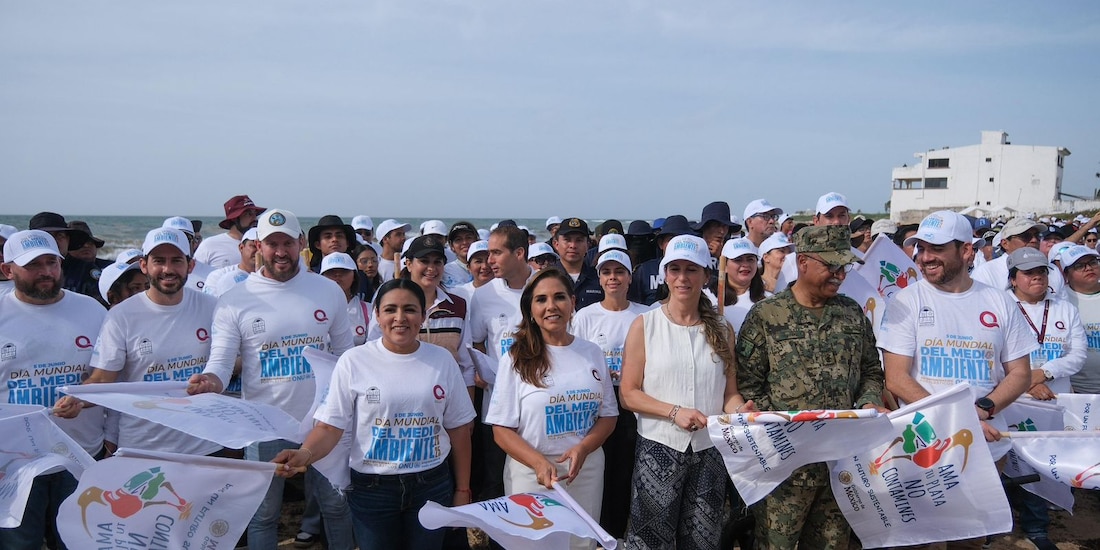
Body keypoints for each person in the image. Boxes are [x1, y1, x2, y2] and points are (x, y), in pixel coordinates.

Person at [186, 208, 355, 550]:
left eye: (287, 243)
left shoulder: (328, 291)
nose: (280, 252)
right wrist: (210, 381)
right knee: (263, 514)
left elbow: (346, 358)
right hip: (264, 426)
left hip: (324, 421)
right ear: (258, 246)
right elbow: (220, 364)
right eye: (272, 244)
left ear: (301, 243)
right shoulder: (234, 300)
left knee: (336, 507)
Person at [273, 279, 476, 550]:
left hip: (431, 485)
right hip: (373, 490)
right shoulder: (353, 361)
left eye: (410, 309)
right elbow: (330, 427)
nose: (400, 318)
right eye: (391, 309)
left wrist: (462, 489)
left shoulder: (443, 360)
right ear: (377, 315)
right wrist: (305, 454)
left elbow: (459, 429)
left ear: (423, 316)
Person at [879, 211, 1036, 549]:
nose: (925, 257)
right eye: (921, 248)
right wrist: (959, 418)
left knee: (970, 540)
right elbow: (896, 378)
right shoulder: (906, 301)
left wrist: (984, 408)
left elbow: (1020, 372)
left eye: (936, 248)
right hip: (922, 445)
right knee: (920, 542)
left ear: (966, 251)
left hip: (984, 446)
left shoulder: (999, 301)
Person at [737, 226, 885, 549]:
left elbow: (871, 371)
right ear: (803, 262)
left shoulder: (851, 313)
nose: (840, 275)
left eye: (844, 267)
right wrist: (784, 432)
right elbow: (748, 384)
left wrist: (868, 401)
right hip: (786, 468)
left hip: (840, 465)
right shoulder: (767, 316)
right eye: (831, 266)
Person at [619, 234, 750, 550]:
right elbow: (629, 394)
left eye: (691, 269)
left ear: (706, 275)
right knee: (650, 542)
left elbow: (729, 395)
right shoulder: (644, 325)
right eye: (675, 269)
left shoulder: (723, 329)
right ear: (665, 274)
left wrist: (740, 411)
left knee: (703, 541)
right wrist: (674, 412)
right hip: (658, 449)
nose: (682, 278)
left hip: (709, 451)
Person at [55, 227, 222, 457]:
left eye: (176, 260)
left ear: (190, 265)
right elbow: (102, 379)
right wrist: (78, 400)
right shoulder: (121, 316)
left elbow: (226, 364)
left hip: (206, 442)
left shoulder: (212, 307)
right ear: (144, 266)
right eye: (158, 261)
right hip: (144, 446)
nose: (168, 269)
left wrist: (211, 382)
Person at [486, 268, 618, 550]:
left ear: (572, 302)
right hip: (531, 473)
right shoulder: (516, 358)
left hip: (585, 470)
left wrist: (583, 448)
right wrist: (538, 463)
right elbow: (501, 429)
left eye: (559, 297)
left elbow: (608, 416)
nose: (551, 306)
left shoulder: (592, 352)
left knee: (581, 544)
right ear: (530, 310)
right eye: (541, 299)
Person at [1, 230, 107, 550]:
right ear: (7, 270)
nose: (46, 271)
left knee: (78, 543)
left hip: (80, 454)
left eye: (52, 262)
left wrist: (82, 399)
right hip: (14, 461)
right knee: (19, 544)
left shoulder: (92, 310)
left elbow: (108, 377)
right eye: (33, 265)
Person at [1005, 247, 1086, 550]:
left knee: (1045, 465)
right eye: (1028, 273)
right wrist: (1026, 382)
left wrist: (1045, 373)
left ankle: (1039, 526)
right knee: (1014, 464)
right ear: (1013, 279)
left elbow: (1077, 355)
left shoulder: (1065, 309)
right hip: (1013, 401)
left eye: (1041, 271)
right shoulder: (1000, 307)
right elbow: (993, 355)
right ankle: (1016, 527)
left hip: (1056, 402)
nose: (1037, 277)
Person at [571, 249, 648, 539]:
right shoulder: (585, 316)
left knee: (624, 470)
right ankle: (593, 530)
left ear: (629, 277)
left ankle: (616, 534)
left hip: (634, 402)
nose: (612, 278)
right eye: (606, 272)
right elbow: (576, 359)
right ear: (599, 278)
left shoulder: (646, 315)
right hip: (597, 405)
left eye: (619, 272)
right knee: (597, 467)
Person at [468, 225, 535, 504]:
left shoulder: (545, 285)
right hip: (497, 405)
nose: (489, 261)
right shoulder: (484, 295)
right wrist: (481, 369)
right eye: (488, 253)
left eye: (496, 253)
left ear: (519, 253)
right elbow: (477, 342)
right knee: (495, 480)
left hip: (537, 404)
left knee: (532, 478)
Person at [972, 217, 1066, 296]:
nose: (1034, 240)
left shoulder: (1053, 270)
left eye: (1037, 236)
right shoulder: (986, 272)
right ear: (1005, 243)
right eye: (1025, 236)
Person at [629, 214, 694, 306]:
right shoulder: (644, 271)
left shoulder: (698, 270)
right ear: (661, 244)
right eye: (671, 239)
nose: (676, 244)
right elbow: (634, 306)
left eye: (681, 239)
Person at [1061, 245, 1100, 395]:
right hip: (1075, 390)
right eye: (1079, 266)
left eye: (1092, 262)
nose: (1088, 268)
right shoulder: (1060, 301)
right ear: (1066, 274)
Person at [194, 194, 263, 268]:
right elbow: (195, 272)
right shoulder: (209, 245)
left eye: (255, 214)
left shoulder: (264, 244)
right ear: (234, 219)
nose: (255, 218)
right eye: (249, 214)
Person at [552, 217, 604, 310]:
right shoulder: (546, 277)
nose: (573, 245)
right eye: (567, 240)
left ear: (587, 245)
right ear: (556, 244)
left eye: (579, 240)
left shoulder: (599, 278)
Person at [720, 237, 769, 332]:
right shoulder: (709, 297)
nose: (745, 264)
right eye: (738, 260)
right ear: (724, 266)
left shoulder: (769, 300)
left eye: (750, 259)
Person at [321, 252, 369, 346]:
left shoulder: (368, 310)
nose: (337, 275)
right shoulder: (313, 310)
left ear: (354, 276)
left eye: (344, 271)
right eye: (331, 272)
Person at [203, 228, 259, 297]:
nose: (259, 251)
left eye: (261, 247)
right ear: (241, 247)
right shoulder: (218, 275)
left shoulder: (270, 279)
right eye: (254, 246)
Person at [442, 221, 479, 288]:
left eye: (468, 238)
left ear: (476, 240)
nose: (464, 242)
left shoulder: (488, 267)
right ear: (451, 246)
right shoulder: (446, 271)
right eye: (458, 239)